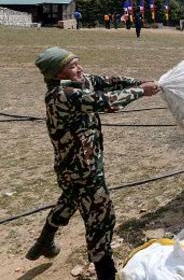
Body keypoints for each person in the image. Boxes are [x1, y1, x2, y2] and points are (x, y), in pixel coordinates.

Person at [27, 47, 160, 280]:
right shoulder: (62, 94)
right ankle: (105, 272)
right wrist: (140, 91)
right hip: (82, 171)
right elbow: (105, 101)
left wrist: (138, 81)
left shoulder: (80, 81)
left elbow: (107, 82)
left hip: (72, 169)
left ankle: (45, 241)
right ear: (57, 74)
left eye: (78, 63)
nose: (79, 69)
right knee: (102, 219)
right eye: (72, 66)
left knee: (69, 201)